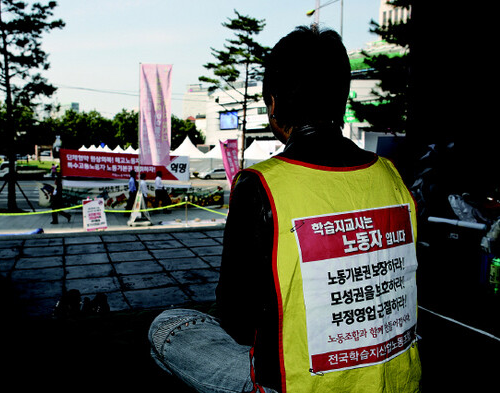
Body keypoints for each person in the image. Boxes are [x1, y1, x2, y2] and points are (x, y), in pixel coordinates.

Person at [149, 25, 421, 393]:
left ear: (274, 102)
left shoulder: (261, 184)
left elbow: (236, 322)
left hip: (295, 385)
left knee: (168, 326)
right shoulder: (391, 176)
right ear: (342, 98)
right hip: (395, 382)